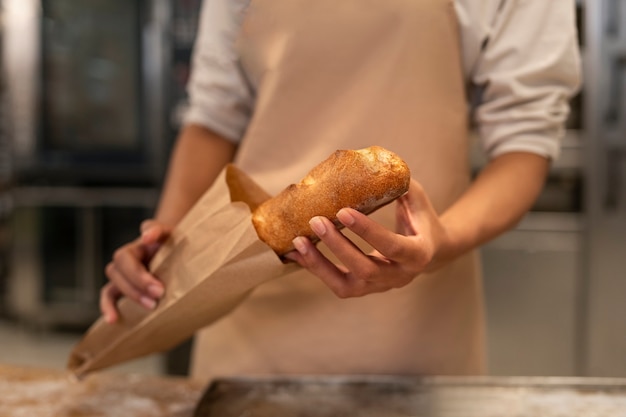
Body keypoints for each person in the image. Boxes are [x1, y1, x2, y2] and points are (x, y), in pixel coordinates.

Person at [101, 0, 581, 381]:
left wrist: (441, 241)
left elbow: (524, 143)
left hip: (417, 316)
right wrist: (163, 241)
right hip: (249, 298)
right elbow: (214, 115)